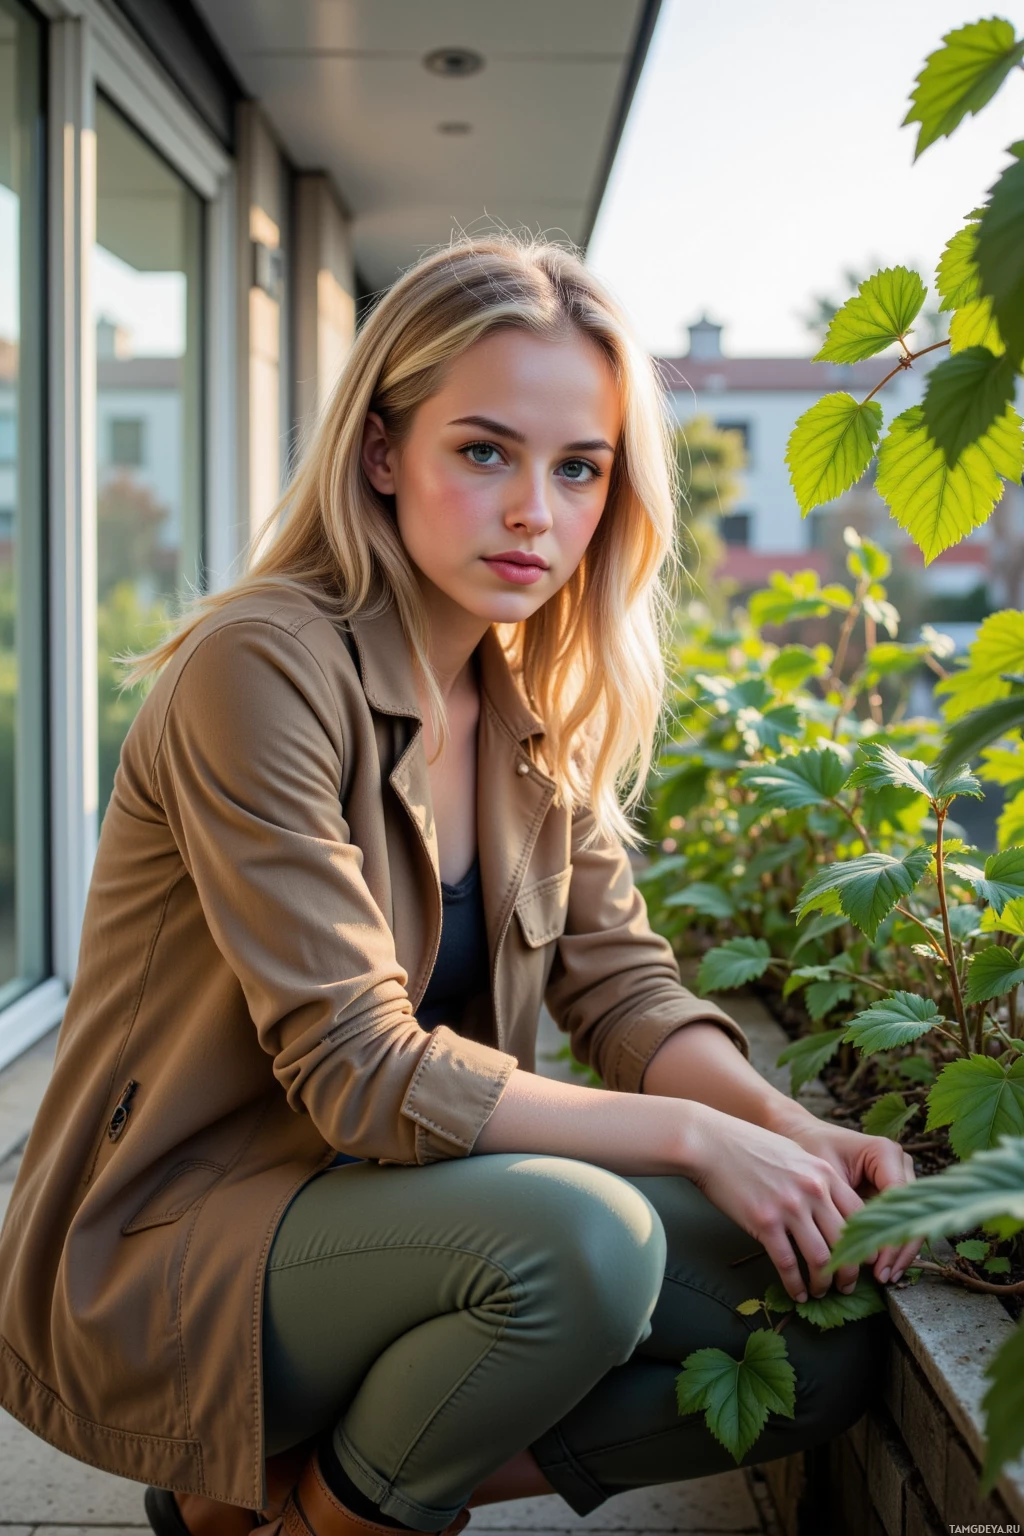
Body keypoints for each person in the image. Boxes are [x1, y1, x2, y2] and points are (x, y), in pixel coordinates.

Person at [0, 237, 919, 1536]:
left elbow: (624, 984)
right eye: (484, 451)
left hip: (402, 1206)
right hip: (179, 1242)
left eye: (579, 467)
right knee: (587, 1250)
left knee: (818, 1333)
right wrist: (703, 1141)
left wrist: (790, 1133)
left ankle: (276, 1500)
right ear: (384, 453)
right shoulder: (259, 670)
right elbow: (358, 1069)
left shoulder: (527, 704)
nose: (536, 511)